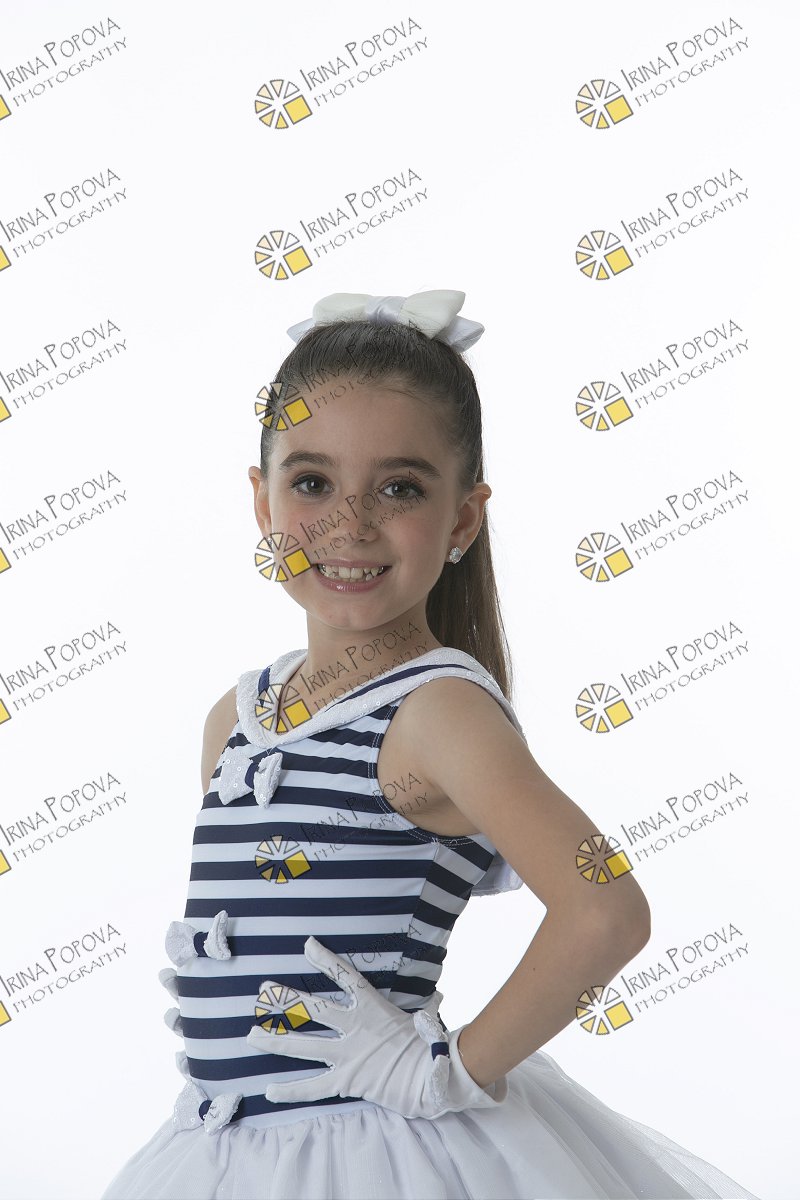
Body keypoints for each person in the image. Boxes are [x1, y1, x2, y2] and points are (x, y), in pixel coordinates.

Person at [101, 290, 759, 1199]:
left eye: (400, 488)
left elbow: (606, 909)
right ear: (261, 499)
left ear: (462, 519)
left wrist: (443, 1073)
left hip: (374, 1158)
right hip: (227, 1155)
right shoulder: (236, 720)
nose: (350, 523)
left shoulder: (437, 712)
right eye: (312, 482)